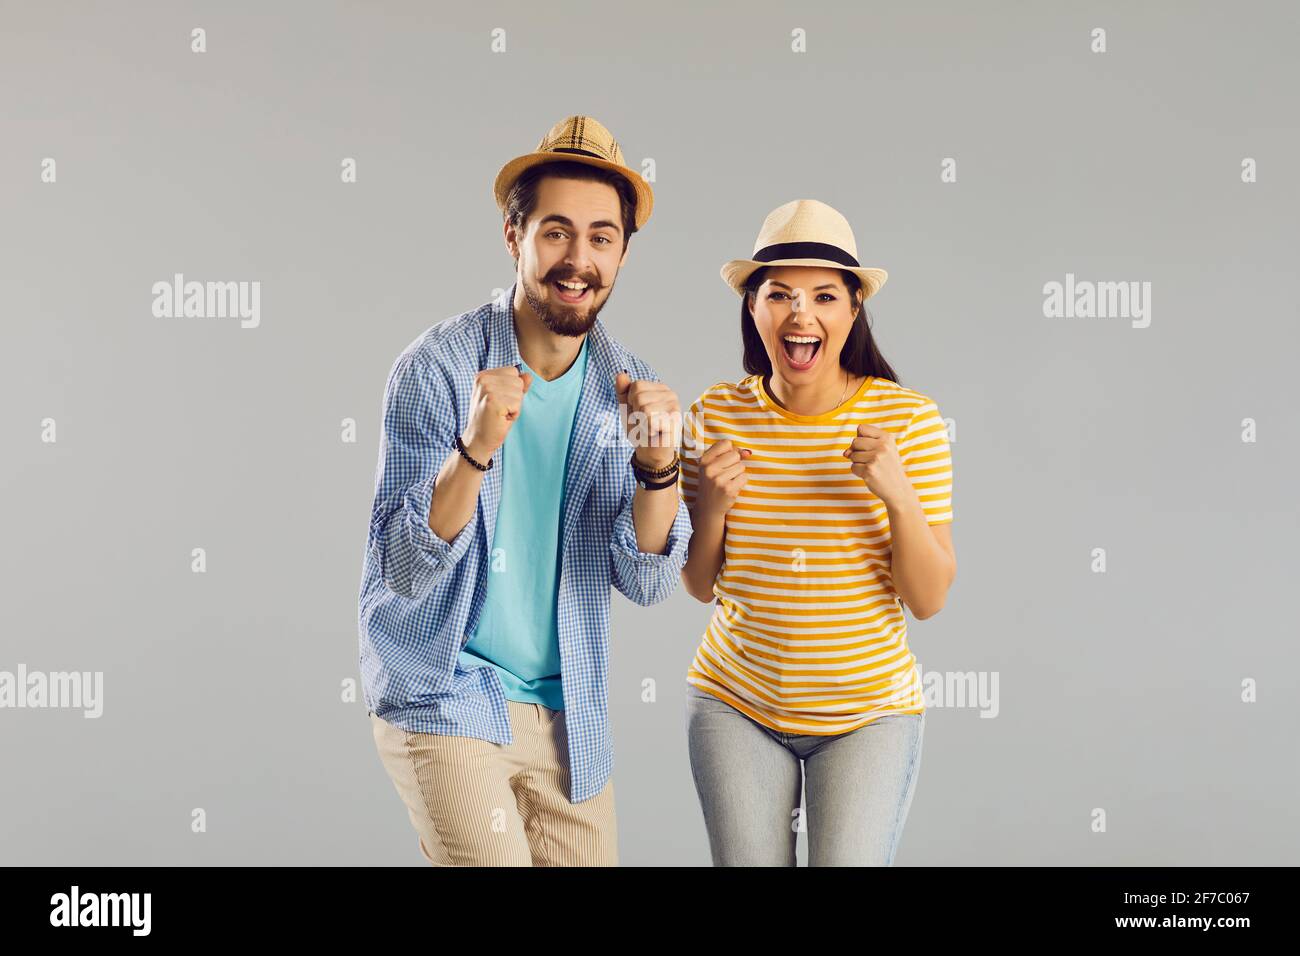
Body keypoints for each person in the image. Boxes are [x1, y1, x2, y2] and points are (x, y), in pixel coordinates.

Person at [359, 115, 690, 866]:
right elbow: (404, 567)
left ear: (623, 253)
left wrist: (658, 466)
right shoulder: (439, 368)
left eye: (602, 238)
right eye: (556, 233)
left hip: (571, 713)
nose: (578, 260)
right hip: (446, 692)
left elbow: (646, 580)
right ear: (514, 237)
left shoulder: (629, 387)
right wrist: (475, 448)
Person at [678, 198, 956, 866]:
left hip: (868, 716)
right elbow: (698, 584)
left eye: (824, 296)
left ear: (853, 311)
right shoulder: (714, 415)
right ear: (753, 308)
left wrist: (898, 494)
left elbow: (927, 600)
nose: (800, 314)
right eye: (780, 294)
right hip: (735, 703)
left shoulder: (909, 421)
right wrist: (711, 507)